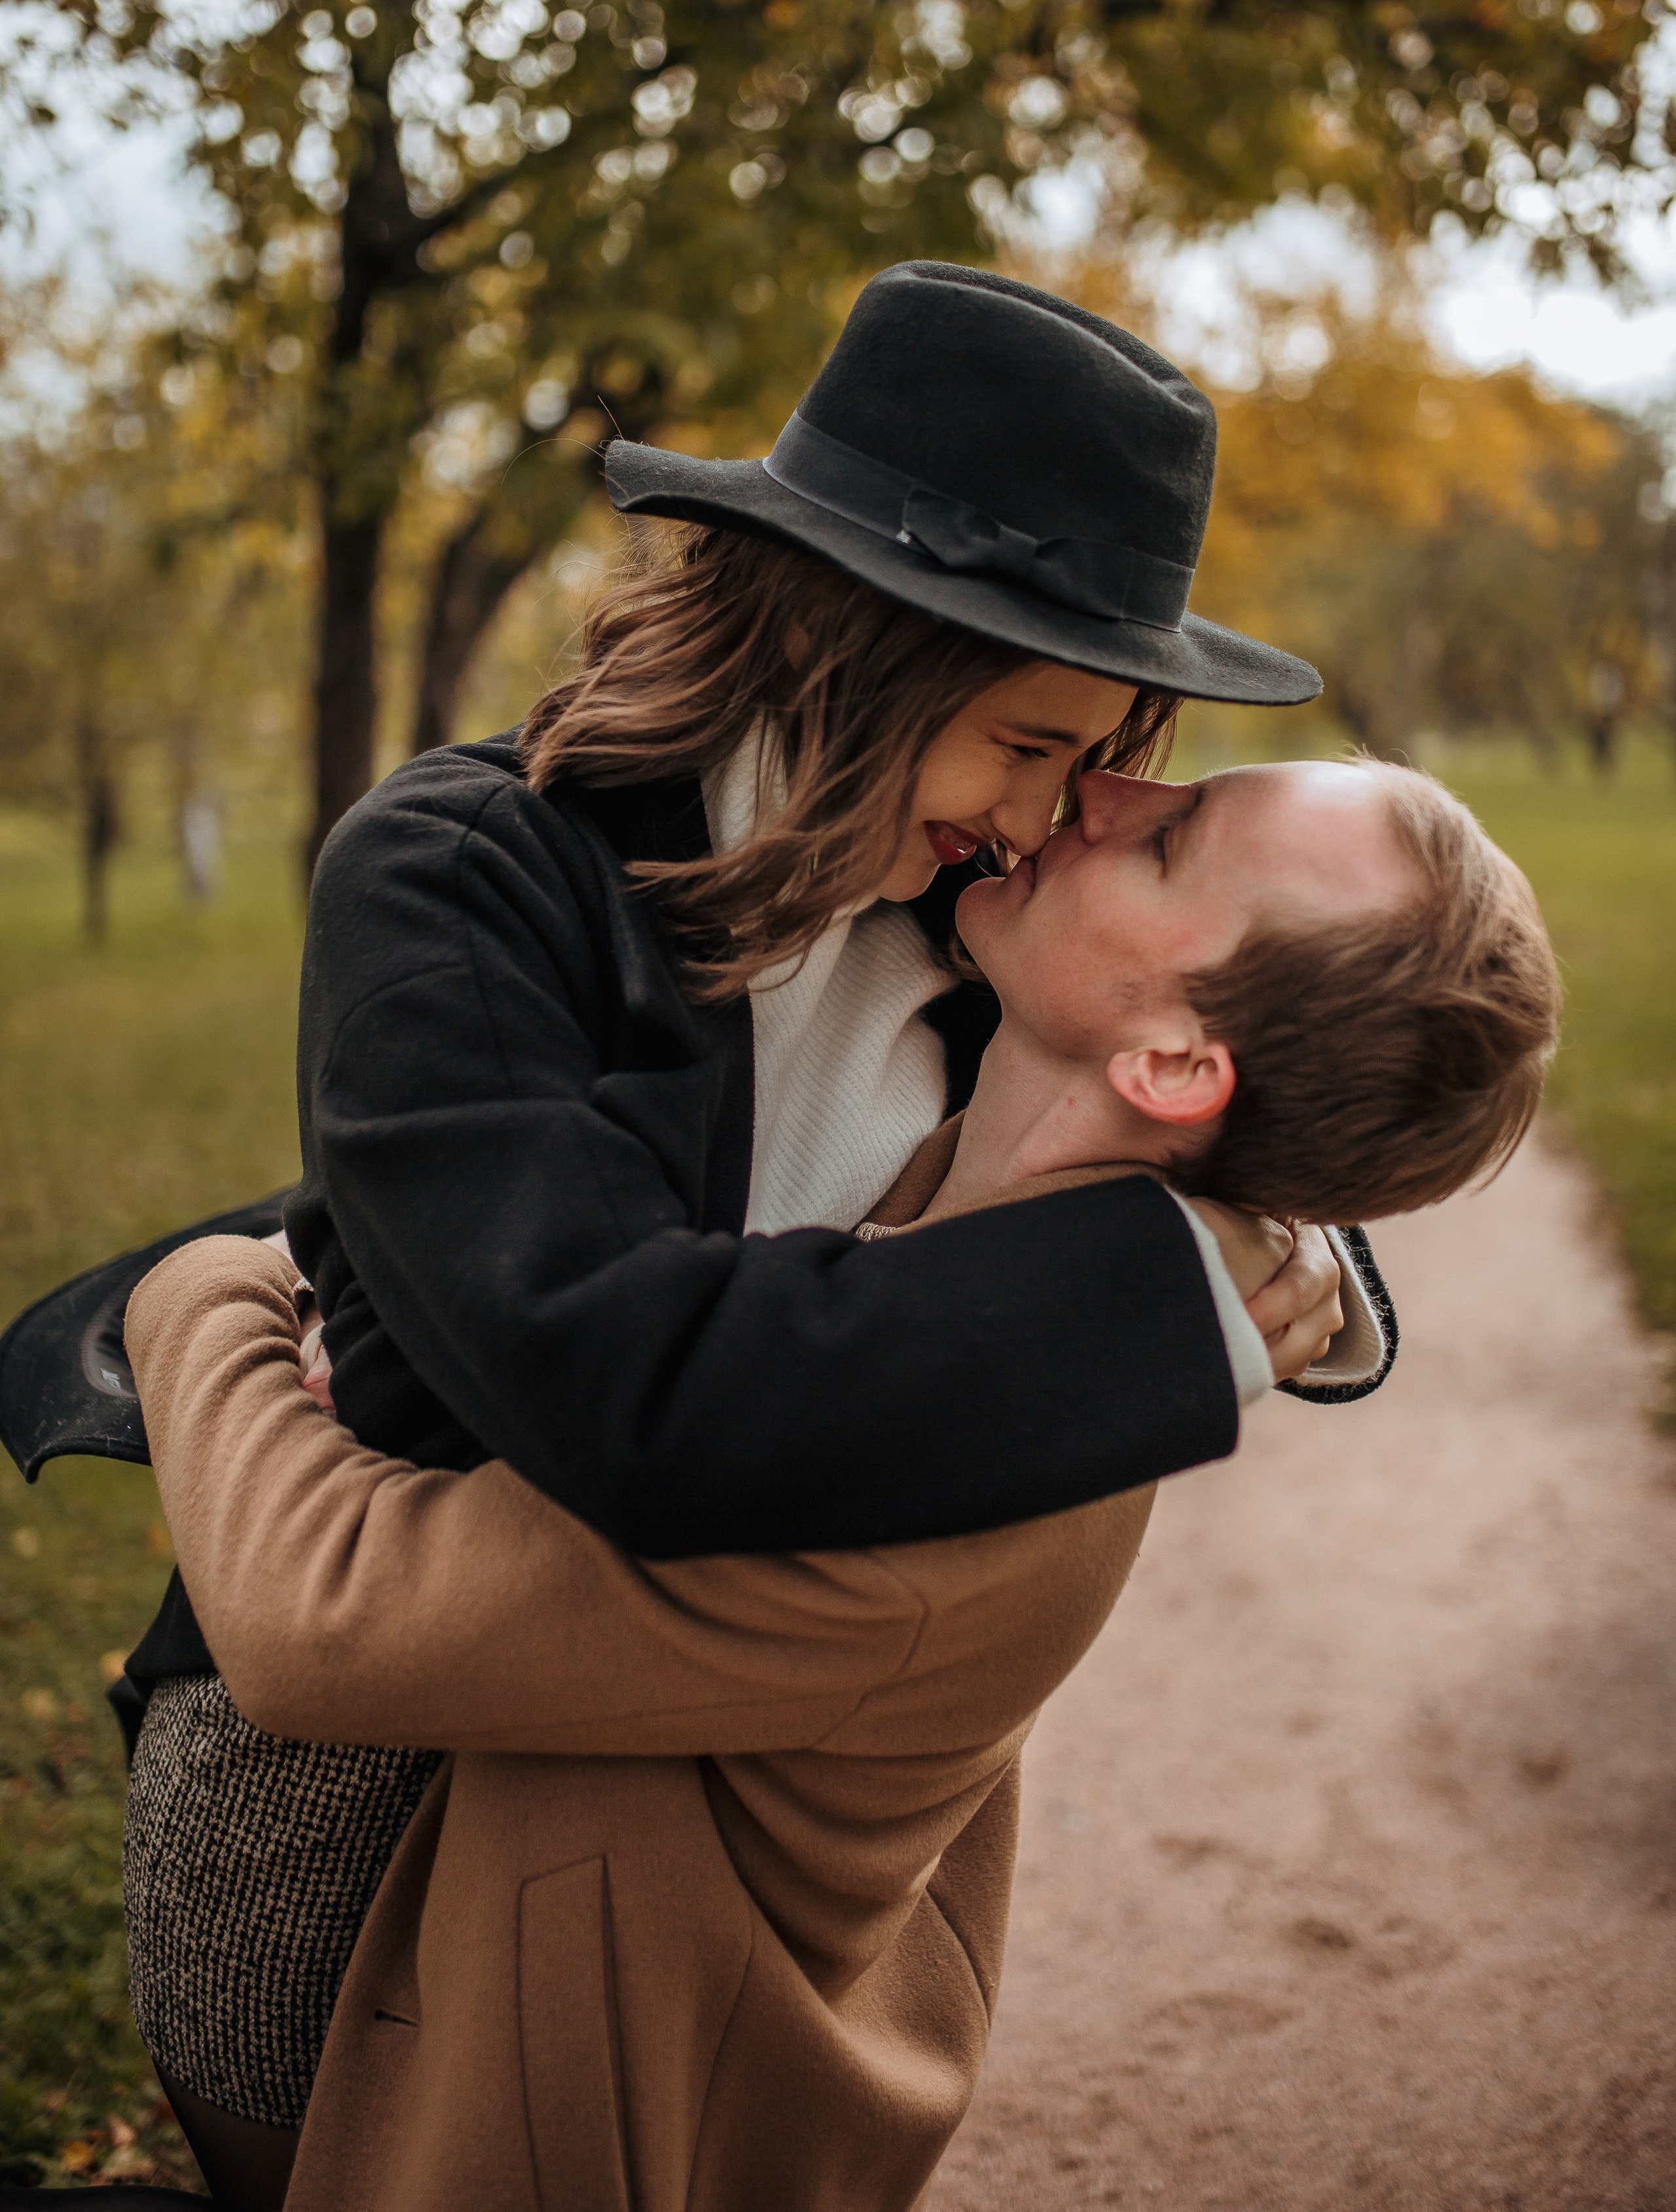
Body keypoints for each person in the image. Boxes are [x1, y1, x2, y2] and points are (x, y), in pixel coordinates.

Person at [117, 261, 1378, 2197]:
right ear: (845, 649)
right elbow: (611, 1380)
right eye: (1030, 749)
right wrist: (1157, 1302)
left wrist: (1291, 1247)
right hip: (370, 1820)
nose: (1048, 825)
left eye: (1094, 759)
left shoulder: (980, 947)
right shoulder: (465, 879)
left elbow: (1243, 1055)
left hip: (764, 1860)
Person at [118, 745, 1558, 2212]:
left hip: (488, 2101)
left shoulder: (954, 1463)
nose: (1104, 791)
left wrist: (211, 1287)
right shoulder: (974, 1208)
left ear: (1177, 1065)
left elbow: (324, 1616)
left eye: (1170, 842)